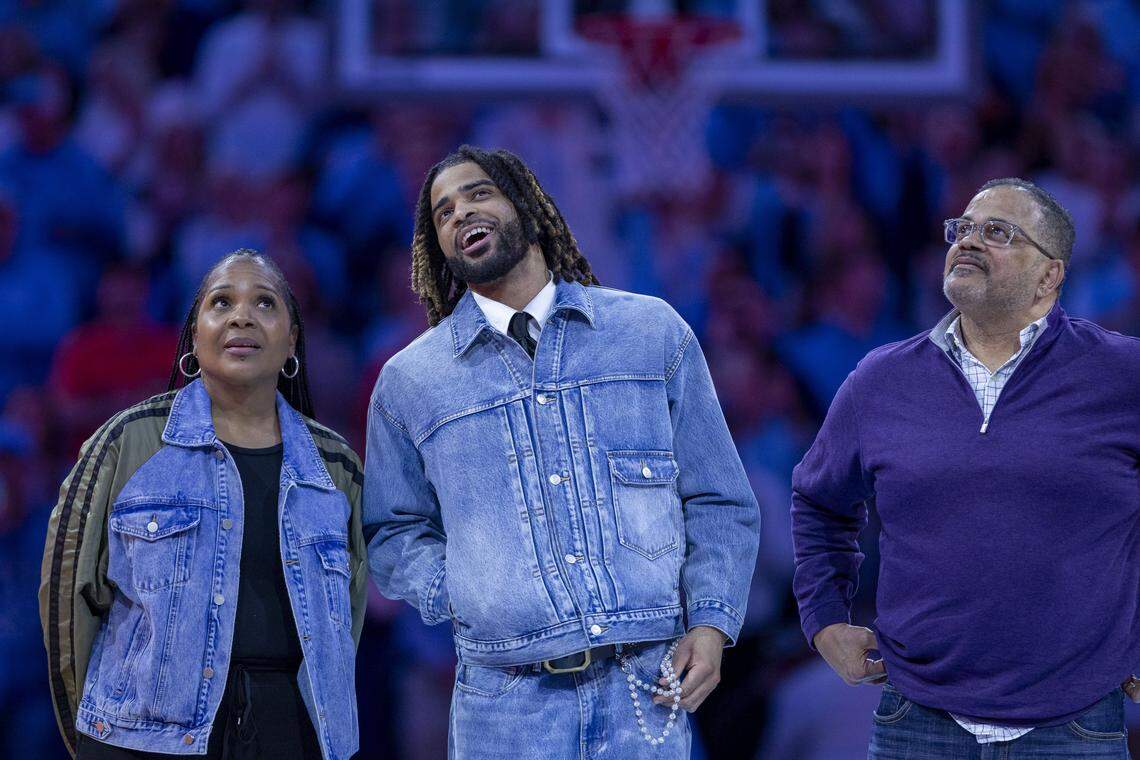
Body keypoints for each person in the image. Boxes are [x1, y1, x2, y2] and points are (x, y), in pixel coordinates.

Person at [364, 145, 760, 758]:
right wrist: (465, 588)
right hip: (504, 705)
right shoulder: (411, 382)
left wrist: (710, 625)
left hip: (646, 689)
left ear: (525, 204)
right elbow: (391, 532)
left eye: (477, 193)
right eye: (441, 214)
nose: (459, 214)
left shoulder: (650, 333)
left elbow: (718, 498)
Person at [791, 177, 1140, 758]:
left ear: (1049, 275)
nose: (969, 242)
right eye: (963, 229)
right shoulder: (880, 380)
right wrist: (825, 617)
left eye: (998, 233)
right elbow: (819, 501)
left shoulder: (1122, 375)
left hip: (1075, 726)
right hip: (914, 722)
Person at [39, 250, 367, 760]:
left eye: (265, 303)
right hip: (141, 741)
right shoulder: (128, 442)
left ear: (291, 341)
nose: (242, 316)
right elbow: (69, 598)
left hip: (293, 736)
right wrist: (97, 731)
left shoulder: (336, 466)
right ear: (194, 335)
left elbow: (346, 620)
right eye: (221, 302)